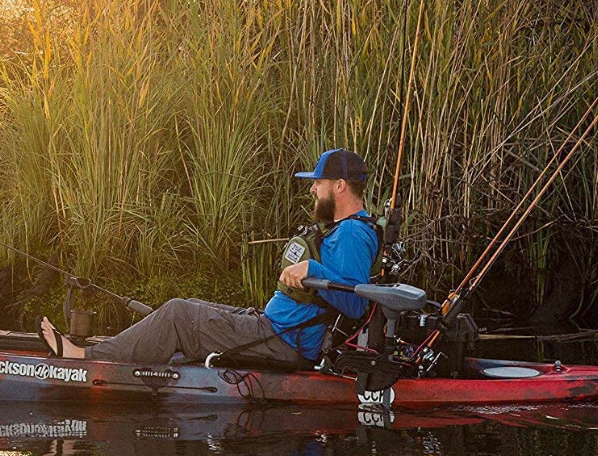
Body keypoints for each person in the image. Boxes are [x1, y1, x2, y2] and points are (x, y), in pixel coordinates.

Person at [39, 148, 379, 366]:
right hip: (275, 327)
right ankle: (122, 349)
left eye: (317, 182)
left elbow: (356, 303)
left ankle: (82, 357)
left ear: (339, 185)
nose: (312, 189)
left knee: (177, 313)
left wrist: (312, 267)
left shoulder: (352, 233)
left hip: (284, 341)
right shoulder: (345, 228)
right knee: (185, 306)